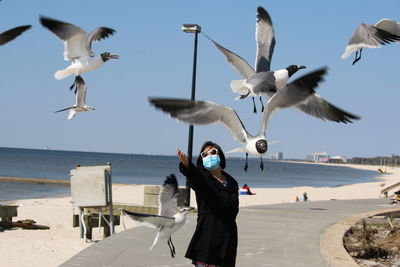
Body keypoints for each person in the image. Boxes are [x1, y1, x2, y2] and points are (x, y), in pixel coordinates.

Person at [177, 141, 239, 267]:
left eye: (213, 152)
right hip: (208, 236)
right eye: (204, 154)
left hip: (228, 237)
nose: (209, 156)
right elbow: (194, 176)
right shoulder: (202, 179)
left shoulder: (232, 182)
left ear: (220, 155)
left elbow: (233, 209)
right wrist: (187, 165)